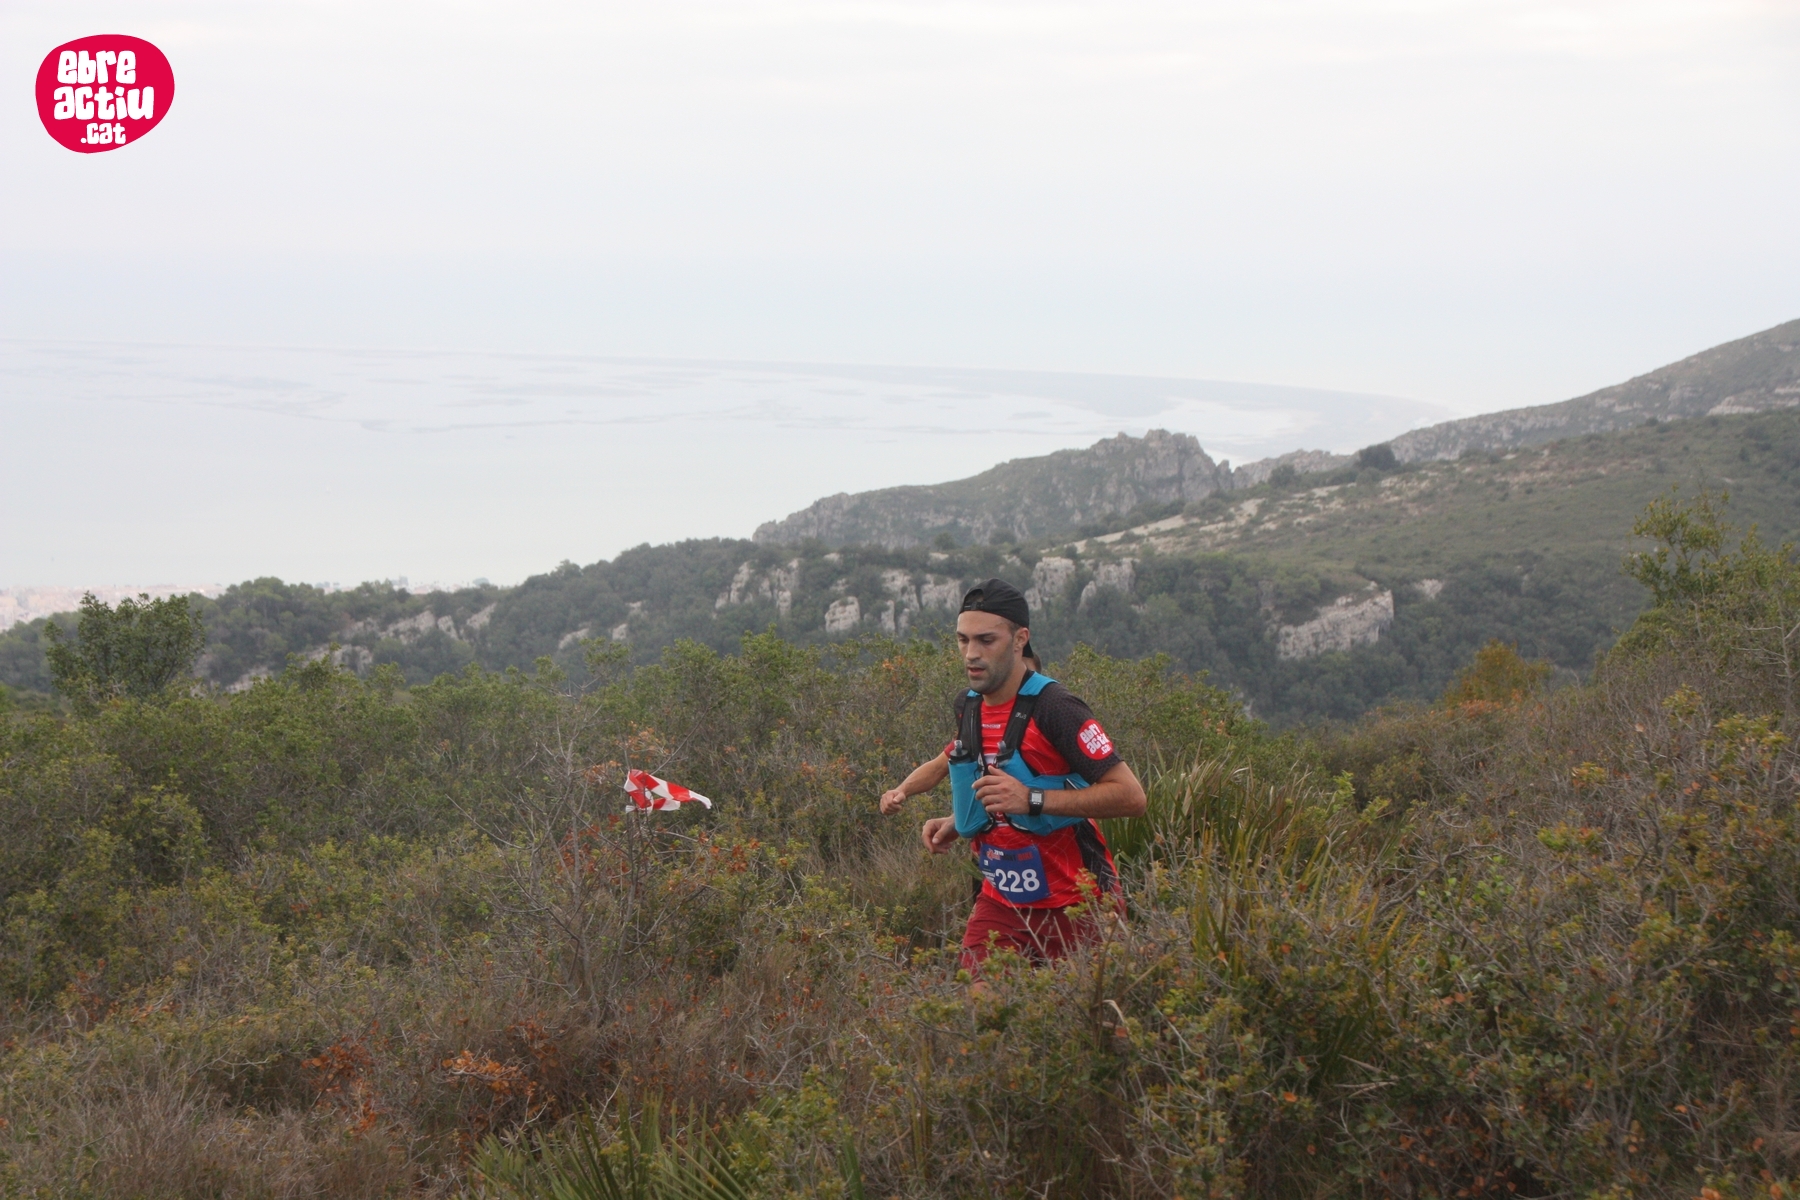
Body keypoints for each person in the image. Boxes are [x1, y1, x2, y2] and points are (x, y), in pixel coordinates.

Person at [879, 578, 1146, 969]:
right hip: (1000, 903)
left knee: (1086, 1011)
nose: (971, 654)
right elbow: (989, 777)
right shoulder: (968, 706)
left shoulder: (1057, 707)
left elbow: (1131, 797)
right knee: (979, 1004)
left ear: (1020, 639)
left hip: (1080, 903)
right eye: (963, 640)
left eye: (986, 640)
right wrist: (958, 820)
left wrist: (1031, 799)